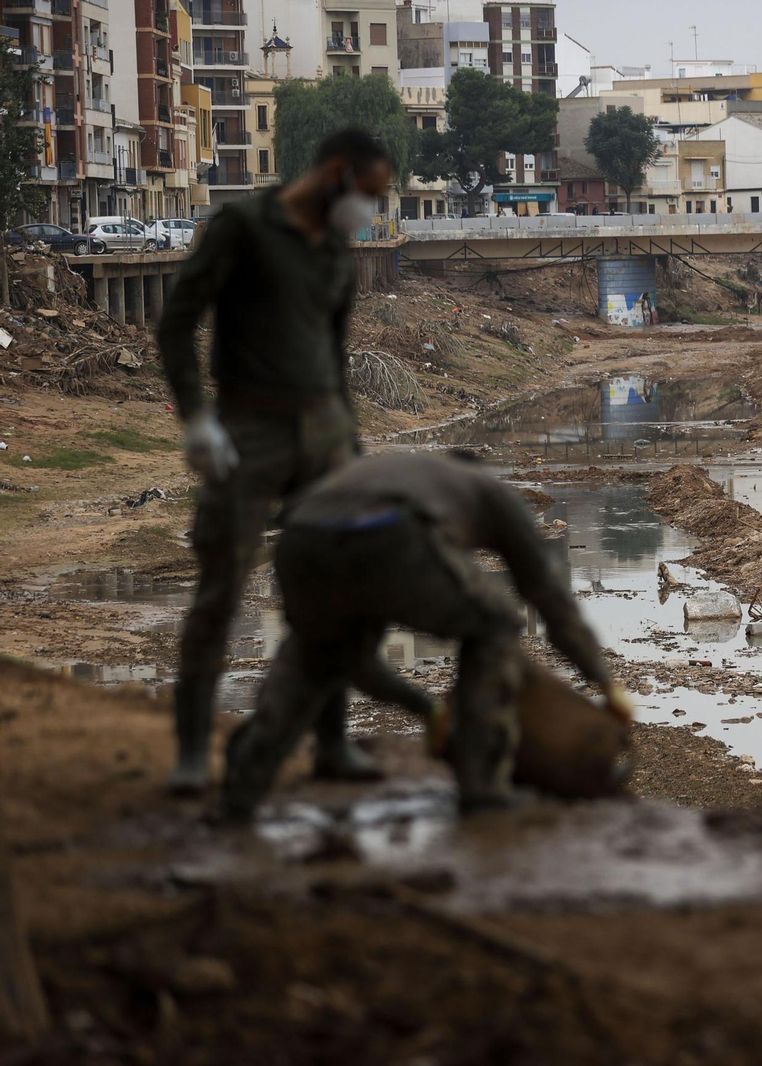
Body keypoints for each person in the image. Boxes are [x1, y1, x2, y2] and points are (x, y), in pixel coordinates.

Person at [157, 128, 394, 794]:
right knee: (221, 590)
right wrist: (195, 417)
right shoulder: (242, 226)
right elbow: (177, 322)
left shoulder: (337, 252)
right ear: (338, 174)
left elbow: (335, 351)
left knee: (331, 594)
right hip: (248, 427)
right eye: (370, 195)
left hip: (324, 431)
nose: (370, 211)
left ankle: (332, 746)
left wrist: (350, 440)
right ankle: (190, 754)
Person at [220, 452, 632, 821]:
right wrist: (604, 680)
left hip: (300, 537)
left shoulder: (409, 471)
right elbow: (548, 594)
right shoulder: (492, 493)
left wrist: (426, 707)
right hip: (391, 532)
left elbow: (356, 663)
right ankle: (482, 787)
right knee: (496, 623)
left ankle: (243, 788)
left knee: (315, 650)